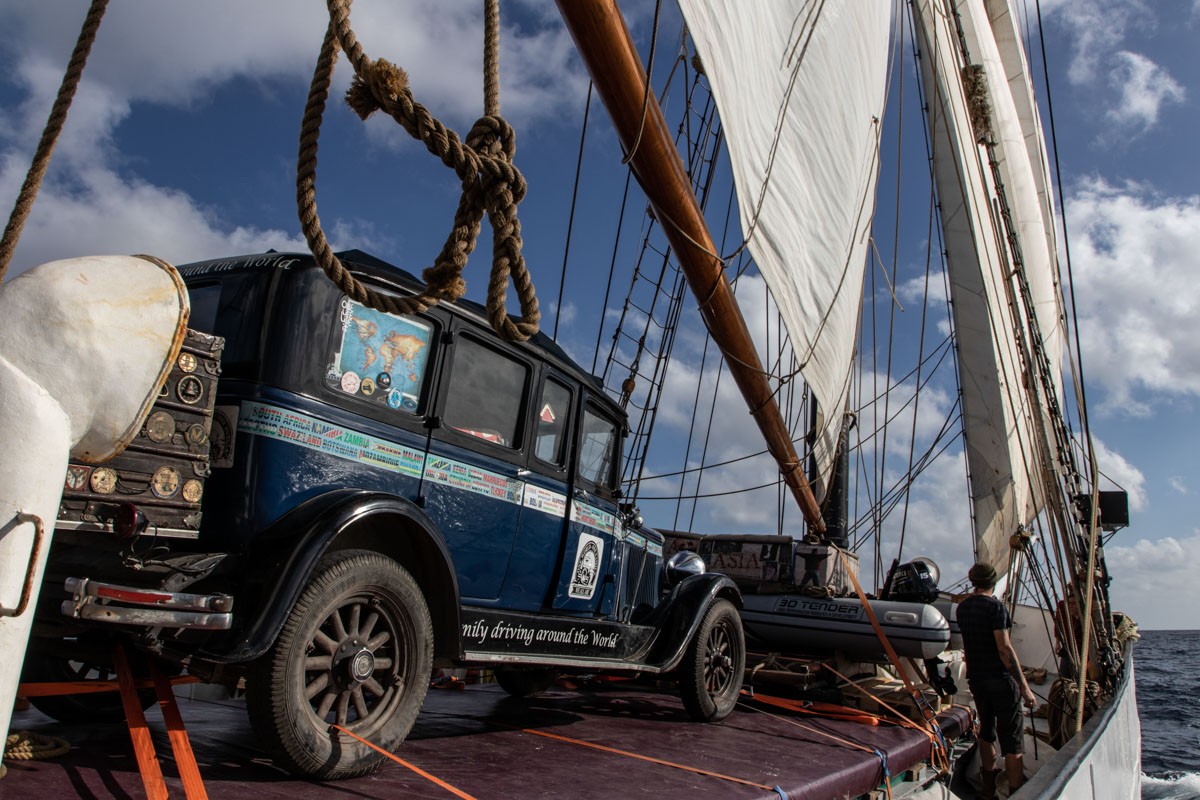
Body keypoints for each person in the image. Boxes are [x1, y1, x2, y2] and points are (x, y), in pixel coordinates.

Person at [957, 562, 1037, 799]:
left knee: (986, 732)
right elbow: (1004, 649)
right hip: (1000, 680)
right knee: (1012, 741)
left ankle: (988, 791)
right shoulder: (996, 608)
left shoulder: (963, 608)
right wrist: (1024, 687)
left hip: (977, 679)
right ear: (993, 582)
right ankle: (1015, 793)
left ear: (973, 581)